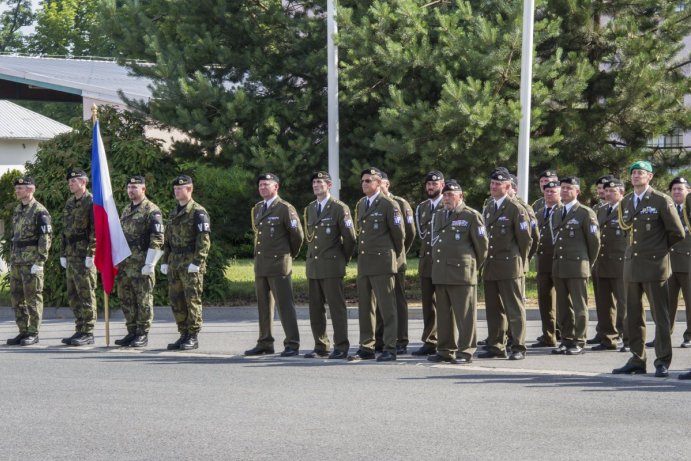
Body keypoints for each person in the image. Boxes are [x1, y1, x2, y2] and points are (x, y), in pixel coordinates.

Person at [612, 161, 684, 377]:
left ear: (650, 177)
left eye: (640, 173)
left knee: (660, 316)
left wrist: (657, 250)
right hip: (632, 266)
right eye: (633, 173)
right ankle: (637, 358)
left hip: (655, 266)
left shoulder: (661, 200)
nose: (636, 176)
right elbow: (627, 233)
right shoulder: (625, 202)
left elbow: (677, 232)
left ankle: (662, 361)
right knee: (632, 316)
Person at [428, 180, 488, 364]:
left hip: (462, 274)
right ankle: (445, 350)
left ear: (460, 196)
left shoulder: (471, 216)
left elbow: (482, 247)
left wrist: (470, 268)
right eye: (445, 195)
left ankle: (466, 351)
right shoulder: (439, 215)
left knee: (465, 316)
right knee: (444, 316)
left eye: (451, 194)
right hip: (441, 272)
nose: (447, 198)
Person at [348, 167, 404, 362]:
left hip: (383, 262)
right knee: (365, 307)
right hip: (365, 262)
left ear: (379, 183)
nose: (364, 184)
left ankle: (390, 347)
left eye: (369, 181)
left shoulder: (389, 204)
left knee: (387, 308)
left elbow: (399, 235)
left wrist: (392, 258)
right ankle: (366, 346)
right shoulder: (362, 204)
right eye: (363, 181)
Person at [245, 173, 304, 357]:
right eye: (260, 185)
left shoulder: (285, 208)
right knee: (263, 306)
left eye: (266, 185)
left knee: (285, 306)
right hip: (262, 264)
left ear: (276, 187)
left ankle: (292, 343)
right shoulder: (258, 208)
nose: (262, 187)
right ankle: (265, 342)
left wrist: (288, 255)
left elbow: (298, 236)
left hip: (279, 264)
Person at [478, 169, 532, 360]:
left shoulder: (515, 208)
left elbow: (525, 240)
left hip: (510, 265)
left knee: (514, 309)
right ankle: (496, 345)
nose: (493, 187)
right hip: (491, 265)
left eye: (498, 184)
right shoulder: (489, 207)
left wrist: (519, 261)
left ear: (508, 187)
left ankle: (518, 346)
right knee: (493, 309)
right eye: (492, 184)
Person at [302, 171, 356, 359]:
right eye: (314, 182)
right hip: (314, 265)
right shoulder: (310, 208)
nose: (316, 185)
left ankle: (341, 346)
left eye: (320, 182)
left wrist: (342, 259)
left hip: (332, 265)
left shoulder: (339, 208)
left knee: (336, 308)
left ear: (329, 185)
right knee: (315, 309)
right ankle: (321, 345)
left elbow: (350, 238)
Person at [160, 175, 211, 351]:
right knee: (176, 300)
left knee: (192, 300)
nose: (177, 191)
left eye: (180, 188)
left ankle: (193, 335)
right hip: (175, 262)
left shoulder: (198, 212)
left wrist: (198, 261)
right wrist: (165, 260)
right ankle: (183, 333)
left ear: (189, 189)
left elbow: (204, 240)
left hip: (190, 261)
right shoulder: (174, 212)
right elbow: (168, 239)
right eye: (175, 189)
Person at [550, 177, 600, 356]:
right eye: (562, 188)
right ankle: (566, 339)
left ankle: (579, 340)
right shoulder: (557, 212)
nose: (564, 191)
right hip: (560, 265)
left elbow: (594, 242)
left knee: (579, 306)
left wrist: (587, 263)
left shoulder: (585, 213)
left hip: (578, 265)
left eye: (569, 188)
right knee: (563, 306)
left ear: (577, 191)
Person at [114, 176, 165, 348]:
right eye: (129, 187)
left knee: (143, 299)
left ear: (144, 189)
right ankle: (132, 331)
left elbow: (157, 238)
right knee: (126, 298)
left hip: (141, 261)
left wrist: (150, 263)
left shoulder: (152, 210)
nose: (131, 190)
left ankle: (142, 333)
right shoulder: (126, 209)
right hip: (126, 263)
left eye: (135, 187)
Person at [7, 176, 52, 346]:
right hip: (17, 261)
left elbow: (45, 237)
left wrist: (40, 261)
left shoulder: (40, 211)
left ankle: (33, 332)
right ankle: (23, 331)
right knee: (17, 299)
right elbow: (15, 237)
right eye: (17, 188)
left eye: (21, 188)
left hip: (31, 261)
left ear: (30, 189)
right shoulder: (18, 210)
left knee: (33, 298)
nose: (17, 191)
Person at [375, 172, 416, 354]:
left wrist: (399, 254)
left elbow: (409, 233)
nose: (377, 186)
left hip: (396, 260)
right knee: (379, 302)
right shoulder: (371, 203)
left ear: (387, 184)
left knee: (397, 300)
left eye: (380, 183)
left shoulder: (400, 203)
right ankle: (381, 338)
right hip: (377, 262)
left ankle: (401, 339)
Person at [59, 169, 97, 347]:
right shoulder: (69, 203)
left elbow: (96, 230)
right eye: (69, 181)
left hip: (84, 254)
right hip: (71, 254)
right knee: (74, 294)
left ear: (83, 182)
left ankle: (88, 331)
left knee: (86, 293)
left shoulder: (91, 202)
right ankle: (80, 328)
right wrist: (62, 253)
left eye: (73, 181)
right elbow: (64, 232)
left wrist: (92, 253)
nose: (70, 183)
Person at [592, 178, 629, 352]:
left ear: (621, 193)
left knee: (626, 303)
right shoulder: (601, 210)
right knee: (605, 303)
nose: (608, 194)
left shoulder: (627, 209)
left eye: (613, 191)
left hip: (621, 264)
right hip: (603, 263)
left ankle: (629, 338)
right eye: (606, 191)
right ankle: (608, 338)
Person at [413, 171, 445, 356]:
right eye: (428, 185)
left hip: (443, 261)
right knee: (428, 303)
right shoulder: (422, 208)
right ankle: (430, 339)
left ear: (442, 185)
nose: (431, 187)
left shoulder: (447, 203)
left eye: (434, 184)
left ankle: (445, 339)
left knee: (443, 302)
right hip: (427, 261)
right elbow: (421, 235)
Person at [532, 180, 562, 348]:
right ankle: (548, 335)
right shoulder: (540, 213)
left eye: (553, 192)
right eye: (547, 192)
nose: (549, 194)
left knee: (563, 301)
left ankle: (564, 334)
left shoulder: (563, 211)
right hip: (543, 262)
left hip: (559, 260)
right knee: (545, 300)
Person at [586, 174, 615, 346]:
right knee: (602, 301)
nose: (602, 192)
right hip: (600, 261)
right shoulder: (597, 209)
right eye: (600, 189)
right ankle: (604, 331)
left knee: (620, 302)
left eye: (606, 189)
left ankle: (622, 334)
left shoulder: (622, 207)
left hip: (617, 261)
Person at [666, 177, 690, 348]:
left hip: (688, 262)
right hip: (668, 263)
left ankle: (689, 336)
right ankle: (665, 334)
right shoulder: (668, 210)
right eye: (673, 189)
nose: (676, 192)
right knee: (667, 302)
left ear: (688, 191)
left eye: (680, 189)